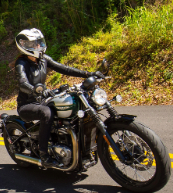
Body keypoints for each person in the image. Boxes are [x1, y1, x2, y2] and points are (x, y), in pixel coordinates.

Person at [14, 28, 105, 168]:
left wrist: (88, 74)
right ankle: (44, 154)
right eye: (34, 44)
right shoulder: (21, 63)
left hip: (43, 99)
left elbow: (64, 68)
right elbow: (22, 82)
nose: (38, 46)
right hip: (28, 104)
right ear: (25, 46)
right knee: (47, 113)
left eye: (39, 43)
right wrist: (34, 90)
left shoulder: (43, 59)